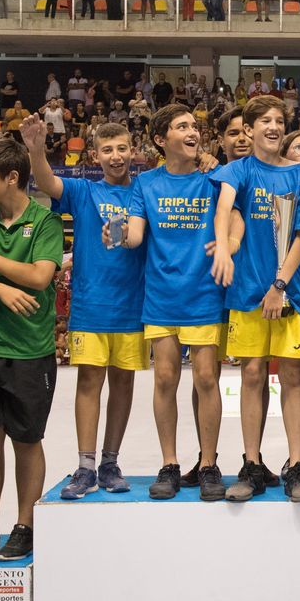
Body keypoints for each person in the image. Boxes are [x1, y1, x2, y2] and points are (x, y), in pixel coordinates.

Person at [21, 116, 145, 501]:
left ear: (133, 152)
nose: (116, 156)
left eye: (122, 148)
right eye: (107, 150)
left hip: (134, 307)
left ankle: (110, 462)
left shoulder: (145, 191)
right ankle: (86, 465)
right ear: (94, 155)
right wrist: (37, 149)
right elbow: (46, 182)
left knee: (123, 384)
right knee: (90, 383)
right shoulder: (83, 191)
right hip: (91, 307)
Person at [110, 104, 226, 502]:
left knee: (207, 378)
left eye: (195, 125)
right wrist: (119, 231)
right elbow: (137, 237)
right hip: (161, 295)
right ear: (161, 140)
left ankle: (208, 464)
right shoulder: (146, 184)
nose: (193, 131)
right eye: (182, 126)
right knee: (164, 379)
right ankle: (170, 463)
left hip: (205, 292)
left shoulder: (214, 178)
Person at [209, 98, 300, 503]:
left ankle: (296, 465)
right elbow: (224, 208)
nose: (273, 126)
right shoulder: (237, 170)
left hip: (289, 292)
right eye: (264, 121)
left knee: (292, 378)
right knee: (252, 375)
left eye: (279, 121)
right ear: (249, 129)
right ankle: (252, 465)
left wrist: (280, 285)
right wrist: (222, 247)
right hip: (246, 295)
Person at [0, 139, 62, 562]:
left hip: (29, 351)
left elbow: (40, 277)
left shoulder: (44, 223)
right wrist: (0, 289)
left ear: (12, 178)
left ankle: (25, 525)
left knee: (26, 440)